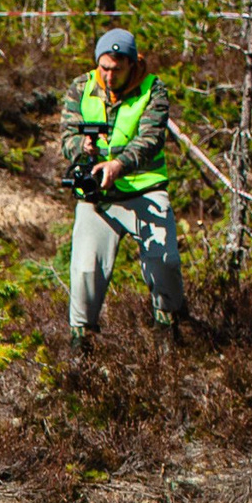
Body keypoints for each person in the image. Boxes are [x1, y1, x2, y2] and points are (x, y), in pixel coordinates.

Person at [59, 27, 188, 347]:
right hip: (98, 196)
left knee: (164, 261)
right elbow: (66, 137)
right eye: (104, 68)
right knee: (85, 270)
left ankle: (168, 332)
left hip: (145, 189)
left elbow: (151, 137)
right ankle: (82, 344)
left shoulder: (152, 89)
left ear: (132, 63)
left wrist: (119, 165)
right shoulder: (81, 87)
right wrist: (82, 148)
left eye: (117, 69)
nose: (109, 75)